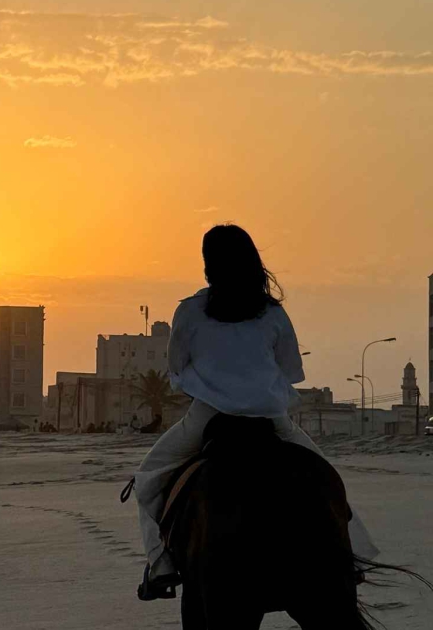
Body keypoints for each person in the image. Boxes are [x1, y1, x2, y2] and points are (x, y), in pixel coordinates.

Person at [134, 225, 378, 601]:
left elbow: (177, 372)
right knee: (326, 478)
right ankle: (352, 558)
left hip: (207, 418)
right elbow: (293, 371)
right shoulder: (273, 313)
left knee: (148, 478)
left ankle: (161, 566)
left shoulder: (189, 311)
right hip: (271, 418)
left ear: (208, 266)